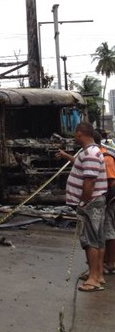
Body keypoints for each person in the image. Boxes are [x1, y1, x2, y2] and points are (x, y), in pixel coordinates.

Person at [57, 122, 108, 292]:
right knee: (97, 239)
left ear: (80, 134)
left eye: (75, 133)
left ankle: (93, 279)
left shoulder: (91, 153)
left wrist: (83, 202)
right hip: (94, 202)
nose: (74, 136)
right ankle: (98, 274)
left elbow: (90, 181)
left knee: (90, 240)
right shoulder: (89, 152)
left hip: (91, 203)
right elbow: (82, 169)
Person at [99, 132, 115, 274]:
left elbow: (111, 182)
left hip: (111, 201)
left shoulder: (106, 159)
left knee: (109, 231)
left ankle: (110, 263)